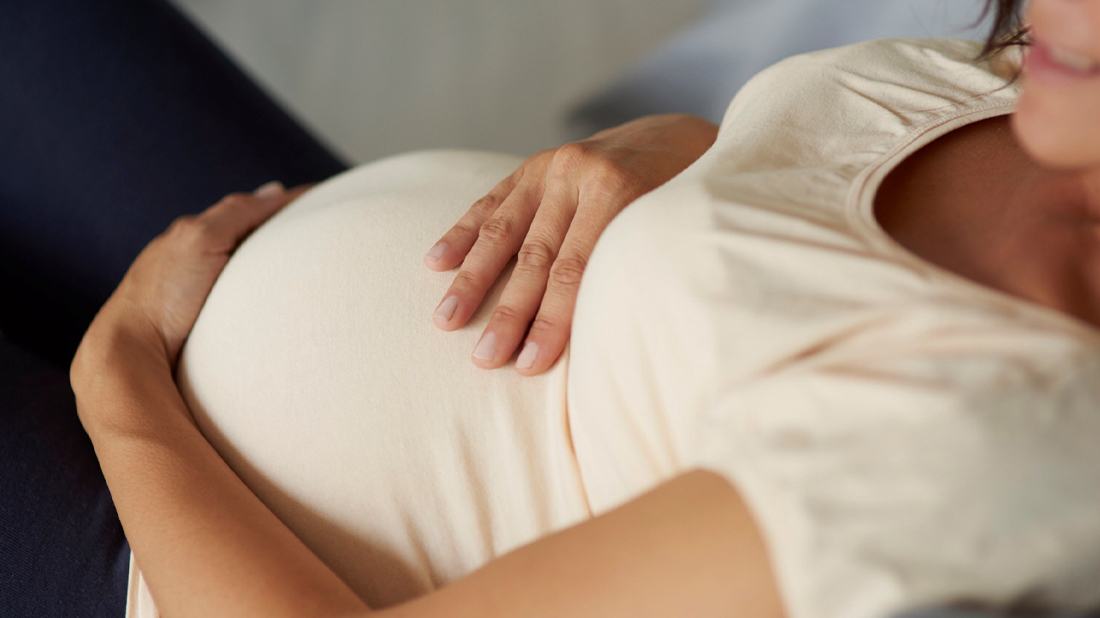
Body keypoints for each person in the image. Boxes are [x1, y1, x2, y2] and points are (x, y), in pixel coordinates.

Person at [8, 0, 1100, 617]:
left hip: (163, 557)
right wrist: (671, 147)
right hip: (253, 234)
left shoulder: (1000, 459)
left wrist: (122, 387)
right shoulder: (1040, 76)